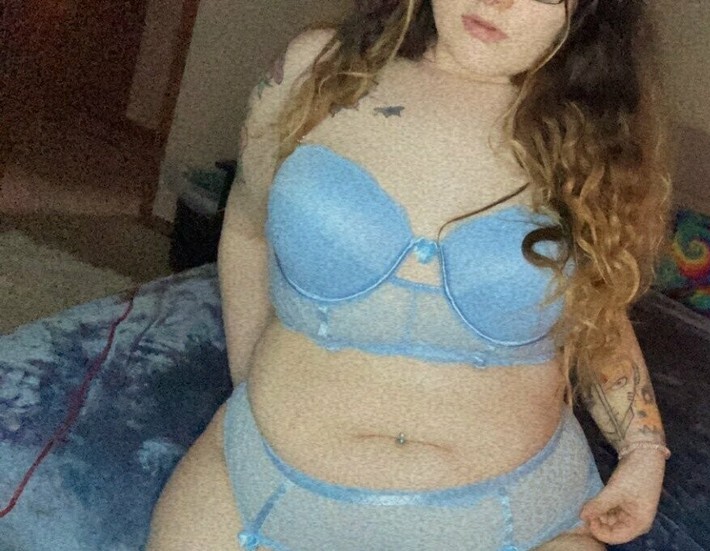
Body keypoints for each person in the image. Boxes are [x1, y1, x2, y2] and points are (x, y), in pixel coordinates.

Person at [147, 0, 672, 549]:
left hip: (516, 520)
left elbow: (598, 313)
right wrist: (250, 381)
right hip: (259, 485)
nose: (497, 1)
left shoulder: (595, 143)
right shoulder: (317, 68)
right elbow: (247, 231)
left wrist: (643, 453)